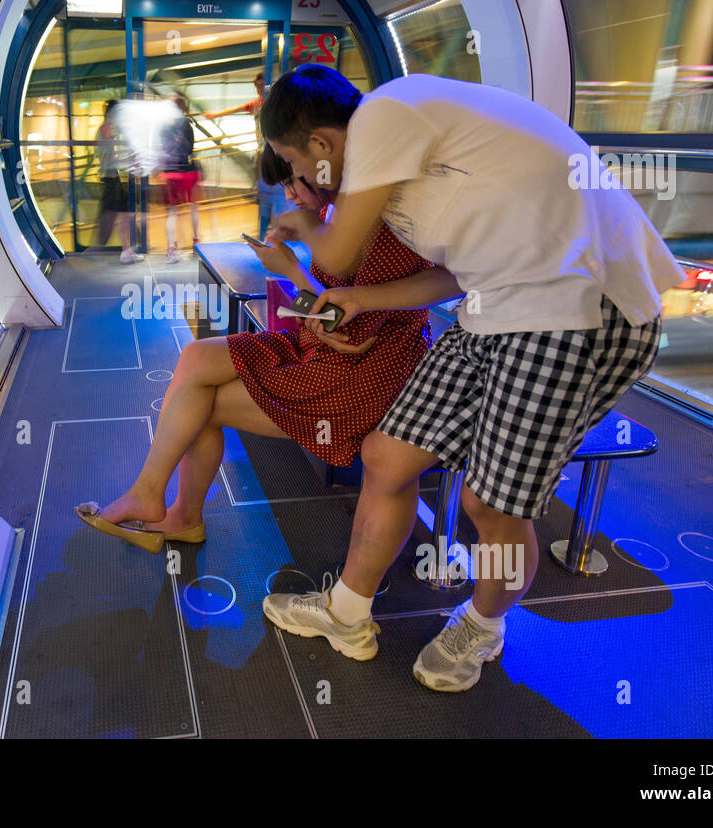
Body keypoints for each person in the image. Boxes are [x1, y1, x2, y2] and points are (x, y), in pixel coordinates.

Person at [259, 64, 686, 688]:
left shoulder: (383, 114)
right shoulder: (408, 169)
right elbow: (457, 274)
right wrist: (366, 299)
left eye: (294, 166)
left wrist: (303, 230)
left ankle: (483, 626)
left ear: (321, 145)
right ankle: (345, 612)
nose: (298, 184)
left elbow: (337, 255)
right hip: (495, 307)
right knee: (388, 456)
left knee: (492, 502)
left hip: (578, 308)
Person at [75, 143, 455, 553]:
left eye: (293, 175)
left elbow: (352, 322)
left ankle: (170, 508)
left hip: (360, 375)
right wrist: (298, 279)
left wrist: (291, 268)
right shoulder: (333, 213)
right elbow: (332, 313)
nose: (289, 194)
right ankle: (158, 499)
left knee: (193, 405)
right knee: (196, 358)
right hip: (324, 348)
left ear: (324, 152)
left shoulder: (377, 224)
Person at [205, 72, 293, 238]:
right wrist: (215, 115)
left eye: (262, 86)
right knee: (267, 195)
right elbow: (236, 109)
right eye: (258, 86)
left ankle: (277, 232)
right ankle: (269, 233)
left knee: (274, 193)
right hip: (263, 151)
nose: (260, 89)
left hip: (275, 152)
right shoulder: (257, 104)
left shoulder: (277, 104)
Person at [90, 100, 137, 263]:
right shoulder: (106, 127)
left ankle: (127, 249)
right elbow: (112, 139)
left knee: (122, 213)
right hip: (109, 177)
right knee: (108, 215)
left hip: (112, 176)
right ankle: (97, 250)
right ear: (111, 114)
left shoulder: (107, 128)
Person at [157, 95, 201, 263]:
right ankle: (196, 242)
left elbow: (162, 148)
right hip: (188, 171)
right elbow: (190, 148)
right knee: (194, 207)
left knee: (172, 212)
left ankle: (171, 249)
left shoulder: (163, 126)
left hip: (170, 172)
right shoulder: (186, 124)